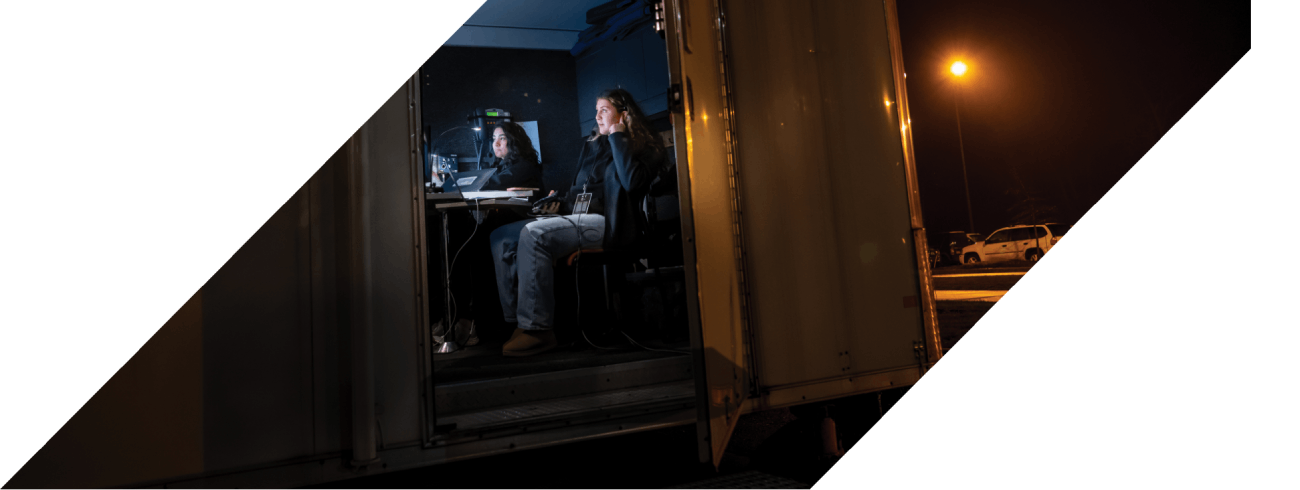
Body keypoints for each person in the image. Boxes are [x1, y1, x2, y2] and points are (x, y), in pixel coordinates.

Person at [490, 88, 666, 357]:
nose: (597, 116)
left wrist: (618, 135)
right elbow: (581, 189)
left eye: (604, 110)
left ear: (624, 114)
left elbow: (631, 182)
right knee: (502, 236)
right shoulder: (592, 144)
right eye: (596, 110)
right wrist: (559, 201)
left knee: (534, 235)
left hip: (611, 223)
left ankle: (538, 330)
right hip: (579, 216)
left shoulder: (644, 146)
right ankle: (517, 323)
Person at [439, 122, 544, 346]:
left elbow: (491, 183)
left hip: (518, 224)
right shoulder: (503, 166)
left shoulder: (524, 165)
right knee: (464, 245)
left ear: (514, 141)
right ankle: (464, 318)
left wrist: (465, 181)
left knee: (472, 247)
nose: (496, 143)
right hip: (501, 223)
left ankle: (474, 321)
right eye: (494, 138)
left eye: (502, 138)